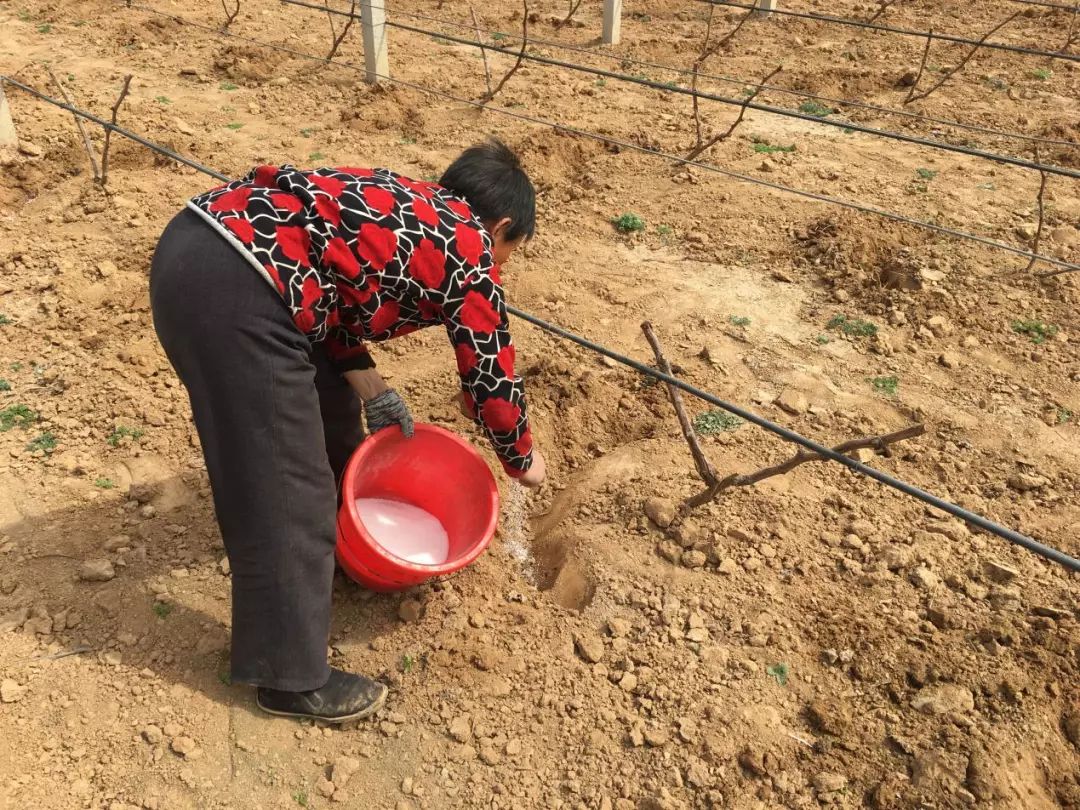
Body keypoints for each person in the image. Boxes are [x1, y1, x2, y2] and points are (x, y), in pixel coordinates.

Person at [149, 138, 546, 723]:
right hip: (239, 295)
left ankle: (339, 549)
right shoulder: (470, 247)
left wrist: (373, 387)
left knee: (331, 406)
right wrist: (522, 459)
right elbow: (491, 375)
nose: (502, 264)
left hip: (198, 245)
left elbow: (328, 294)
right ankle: (289, 678)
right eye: (510, 250)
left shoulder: (408, 204)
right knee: (289, 487)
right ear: (502, 226)